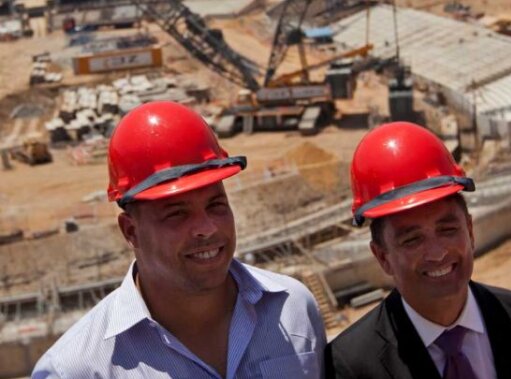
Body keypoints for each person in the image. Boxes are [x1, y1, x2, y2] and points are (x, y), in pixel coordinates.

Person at [32, 101, 326, 379]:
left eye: (216, 205)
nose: (206, 228)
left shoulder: (294, 310)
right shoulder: (77, 370)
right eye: (176, 214)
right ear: (130, 231)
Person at [325, 122, 511, 379]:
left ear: (470, 231)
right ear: (382, 257)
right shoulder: (350, 367)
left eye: (447, 230)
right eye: (412, 240)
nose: (437, 253)